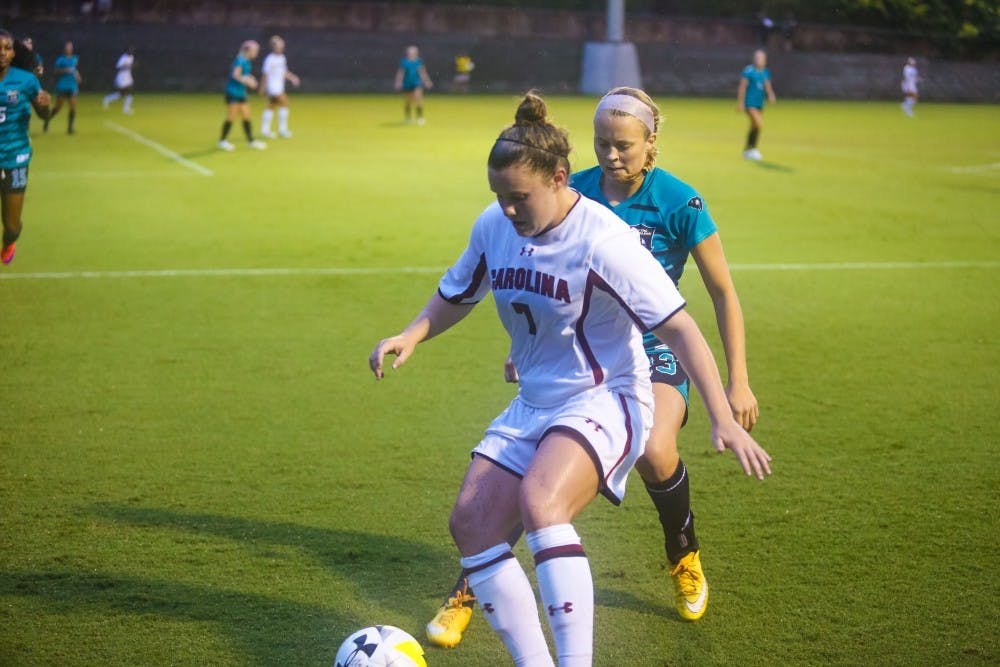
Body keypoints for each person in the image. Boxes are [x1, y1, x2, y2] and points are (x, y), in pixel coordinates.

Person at [370, 92, 772, 666]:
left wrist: (724, 413)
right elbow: (459, 290)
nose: (508, 210)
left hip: (608, 395)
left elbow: (681, 328)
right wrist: (413, 333)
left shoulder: (603, 238)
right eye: (499, 196)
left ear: (558, 179)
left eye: (519, 197)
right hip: (537, 399)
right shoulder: (495, 223)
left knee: (541, 500)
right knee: (471, 523)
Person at [0, 30, 52, 265]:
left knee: (12, 227)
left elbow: (44, 116)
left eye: (7, 48)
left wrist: (44, 106)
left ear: (13, 53)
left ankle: (9, 242)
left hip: (15, 158)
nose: (2, 53)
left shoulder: (26, 80)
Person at [218, 40, 265, 151]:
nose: (256, 53)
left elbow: (243, 74)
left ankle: (251, 141)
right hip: (233, 92)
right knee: (231, 117)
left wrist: (250, 78)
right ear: (249, 50)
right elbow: (235, 75)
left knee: (246, 115)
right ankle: (222, 141)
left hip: (241, 93)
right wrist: (248, 81)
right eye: (255, 50)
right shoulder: (240, 60)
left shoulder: (247, 61)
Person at [736, 49, 776, 161]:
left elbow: (767, 85)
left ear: (765, 60)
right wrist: (740, 102)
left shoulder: (765, 72)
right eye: (757, 58)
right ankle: (753, 150)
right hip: (750, 103)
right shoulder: (749, 71)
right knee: (758, 123)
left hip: (759, 103)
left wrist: (770, 94)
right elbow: (742, 87)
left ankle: (748, 150)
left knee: (754, 126)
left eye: (761, 58)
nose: (759, 60)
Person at [259, 35, 300, 139]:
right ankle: (282, 130)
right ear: (274, 47)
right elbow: (265, 74)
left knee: (271, 105)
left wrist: (292, 78)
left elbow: (284, 72)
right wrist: (263, 87)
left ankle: (265, 130)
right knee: (284, 102)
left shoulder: (282, 58)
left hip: (279, 85)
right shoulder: (269, 59)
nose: (281, 47)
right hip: (272, 86)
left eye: (282, 45)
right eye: (279, 45)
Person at [47, 40, 80, 135]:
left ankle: (70, 128)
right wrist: (66, 70)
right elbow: (56, 71)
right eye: (67, 47)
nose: (69, 48)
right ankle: (47, 119)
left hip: (72, 86)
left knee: (72, 106)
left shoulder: (75, 59)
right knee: (58, 107)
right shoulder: (61, 59)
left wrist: (78, 76)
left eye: (70, 47)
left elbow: (74, 70)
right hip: (62, 86)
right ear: (65, 48)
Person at [394, 45, 432, 125]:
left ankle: (420, 118)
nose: (412, 54)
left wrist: (427, 81)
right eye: (410, 52)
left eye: (413, 52)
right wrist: (398, 82)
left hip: (417, 83)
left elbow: (422, 72)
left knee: (418, 100)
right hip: (407, 83)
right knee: (408, 101)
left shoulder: (419, 62)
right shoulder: (404, 62)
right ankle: (408, 118)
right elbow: (401, 73)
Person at [102, 46, 135, 114]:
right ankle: (125, 109)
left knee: (125, 93)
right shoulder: (123, 58)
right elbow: (118, 67)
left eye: (132, 50)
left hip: (128, 76)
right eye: (129, 50)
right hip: (121, 77)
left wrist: (131, 66)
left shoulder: (131, 57)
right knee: (125, 93)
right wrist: (126, 66)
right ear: (126, 51)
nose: (131, 51)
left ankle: (107, 100)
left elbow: (130, 66)